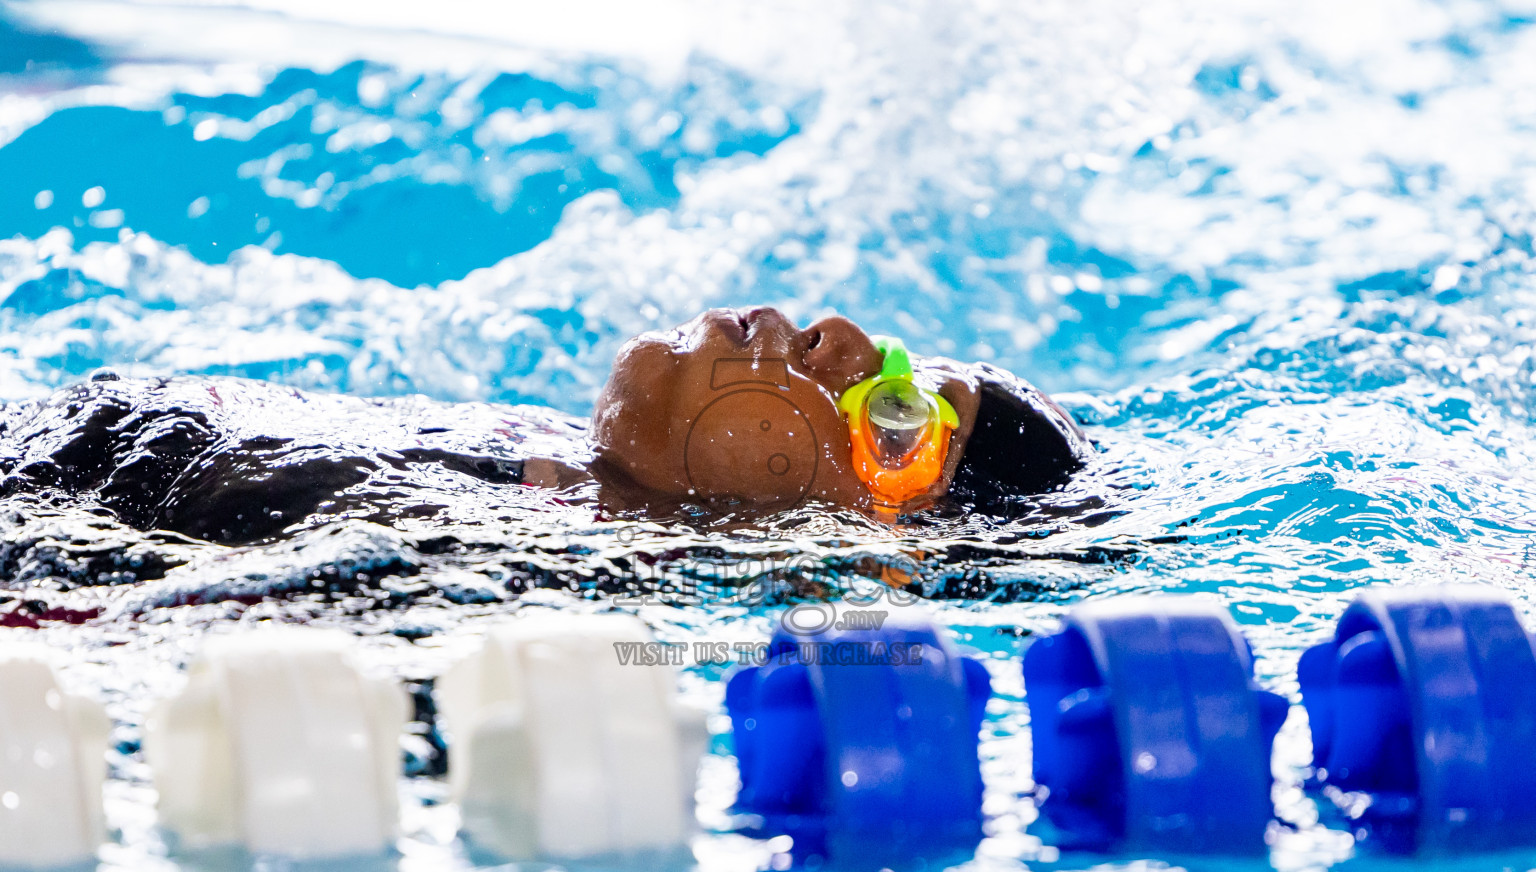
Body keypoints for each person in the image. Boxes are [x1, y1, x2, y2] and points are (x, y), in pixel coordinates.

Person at [0, 306, 1090, 545]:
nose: (841, 333)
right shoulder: (551, 475)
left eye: (899, 413)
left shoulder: (550, 582)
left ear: (866, 535)